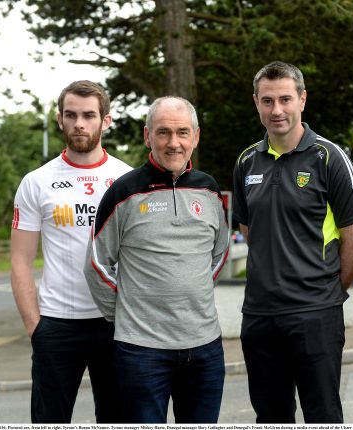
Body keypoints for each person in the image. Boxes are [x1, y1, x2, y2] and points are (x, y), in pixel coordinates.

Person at [232, 61, 353, 423]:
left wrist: (324, 289)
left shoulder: (329, 157)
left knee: (322, 414)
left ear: (302, 100)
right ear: (256, 102)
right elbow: (249, 229)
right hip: (260, 315)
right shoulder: (246, 161)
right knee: (271, 416)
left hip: (315, 315)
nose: (277, 110)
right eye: (267, 101)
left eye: (285, 99)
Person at [84, 96, 229, 424]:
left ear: (195, 136)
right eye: (163, 132)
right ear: (148, 136)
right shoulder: (123, 192)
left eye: (182, 133)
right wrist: (124, 312)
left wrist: (196, 291)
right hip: (141, 351)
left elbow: (219, 253)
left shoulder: (209, 191)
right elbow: (96, 263)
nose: (173, 143)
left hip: (205, 347)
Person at [10, 80, 132, 423]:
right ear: (60, 120)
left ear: (105, 121)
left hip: (117, 323)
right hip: (56, 325)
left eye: (89, 115)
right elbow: (20, 260)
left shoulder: (126, 180)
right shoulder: (36, 182)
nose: (80, 123)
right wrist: (36, 327)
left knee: (119, 418)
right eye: (71, 114)